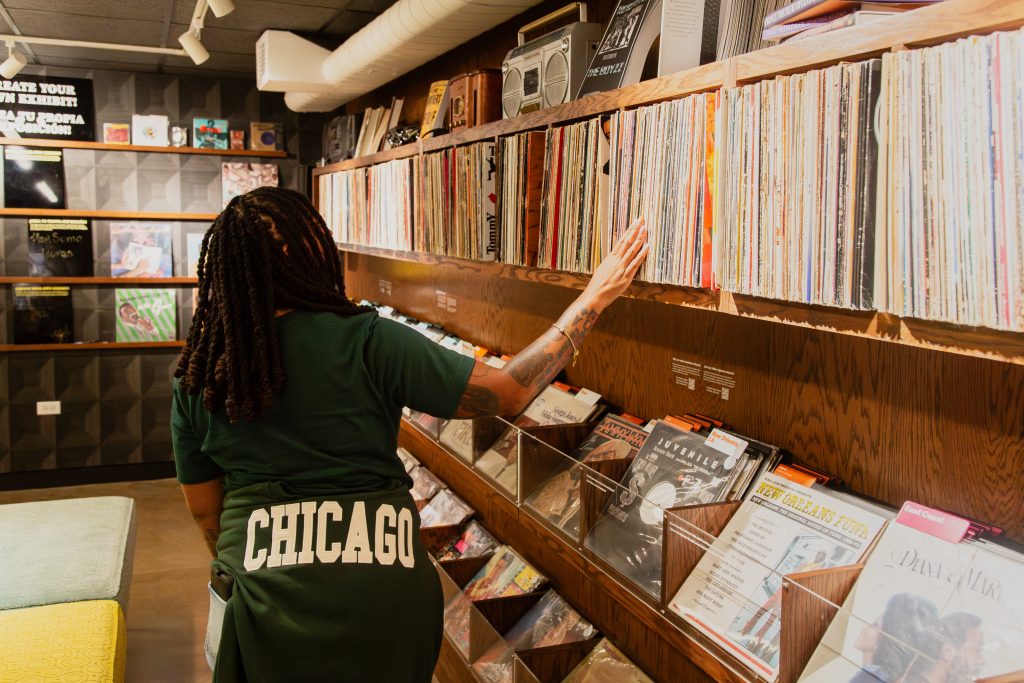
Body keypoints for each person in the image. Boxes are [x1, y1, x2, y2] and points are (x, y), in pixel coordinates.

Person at [170, 186, 649, 682]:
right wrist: (594, 297)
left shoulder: (201, 372)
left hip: (260, 600)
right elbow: (507, 392)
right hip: (382, 594)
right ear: (301, 254)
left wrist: (252, 557)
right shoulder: (369, 341)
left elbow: (205, 508)